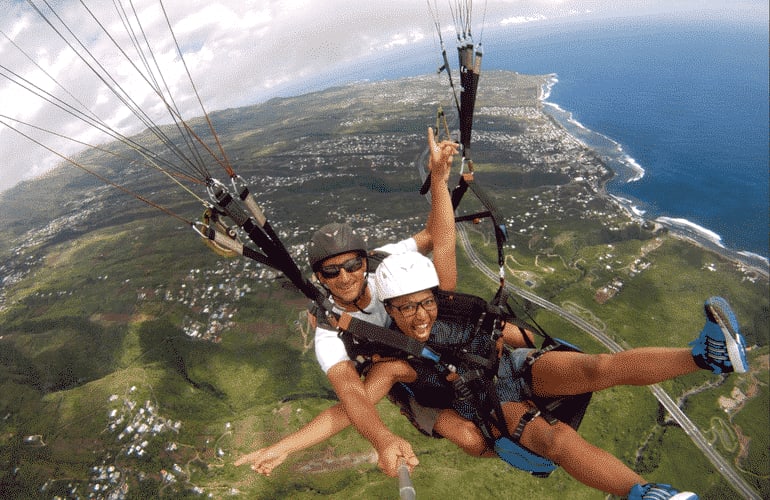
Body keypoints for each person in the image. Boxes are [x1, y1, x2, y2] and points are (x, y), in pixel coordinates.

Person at [236, 250, 749, 499]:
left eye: (425, 304)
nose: (418, 317)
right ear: (387, 312)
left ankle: (707, 356)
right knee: (554, 440)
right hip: (481, 402)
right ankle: (645, 494)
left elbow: (496, 320)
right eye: (405, 310)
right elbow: (352, 405)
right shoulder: (394, 359)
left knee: (596, 367)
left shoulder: (458, 310)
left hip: (509, 369)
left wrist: (442, 178)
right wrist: (286, 447)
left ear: (436, 297)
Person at [235, 127, 459, 478]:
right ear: (319, 278)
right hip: (397, 371)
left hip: (432, 336)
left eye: (353, 265)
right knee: (471, 439)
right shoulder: (328, 331)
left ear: (365, 261)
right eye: (331, 271)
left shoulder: (384, 264)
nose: (345, 277)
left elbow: (437, 235)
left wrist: (439, 178)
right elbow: (353, 398)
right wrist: (382, 440)